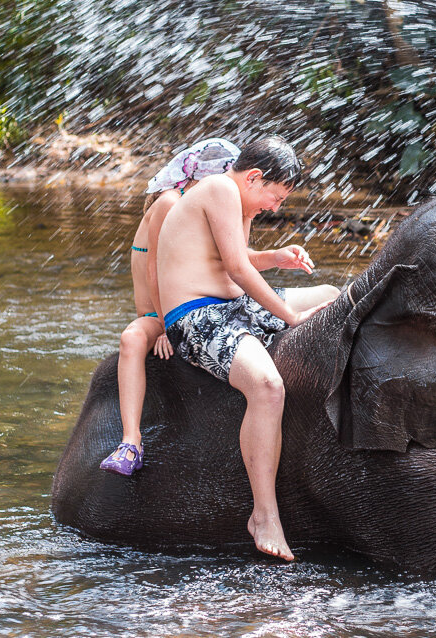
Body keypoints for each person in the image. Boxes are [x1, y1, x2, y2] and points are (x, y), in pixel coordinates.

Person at [156, 135, 338, 560]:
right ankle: (264, 514)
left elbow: (231, 259)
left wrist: (275, 257)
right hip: (197, 317)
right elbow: (235, 266)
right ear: (254, 177)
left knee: (331, 295)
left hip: (233, 305)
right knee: (267, 387)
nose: (275, 207)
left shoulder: (237, 199)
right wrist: (291, 318)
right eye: (274, 196)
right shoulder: (219, 188)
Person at [100, 137, 242, 475]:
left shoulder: (201, 207)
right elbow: (155, 271)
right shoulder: (168, 203)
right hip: (161, 311)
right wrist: (165, 325)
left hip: (195, 303)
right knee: (132, 339)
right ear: (199, 177)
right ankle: (130, 442)